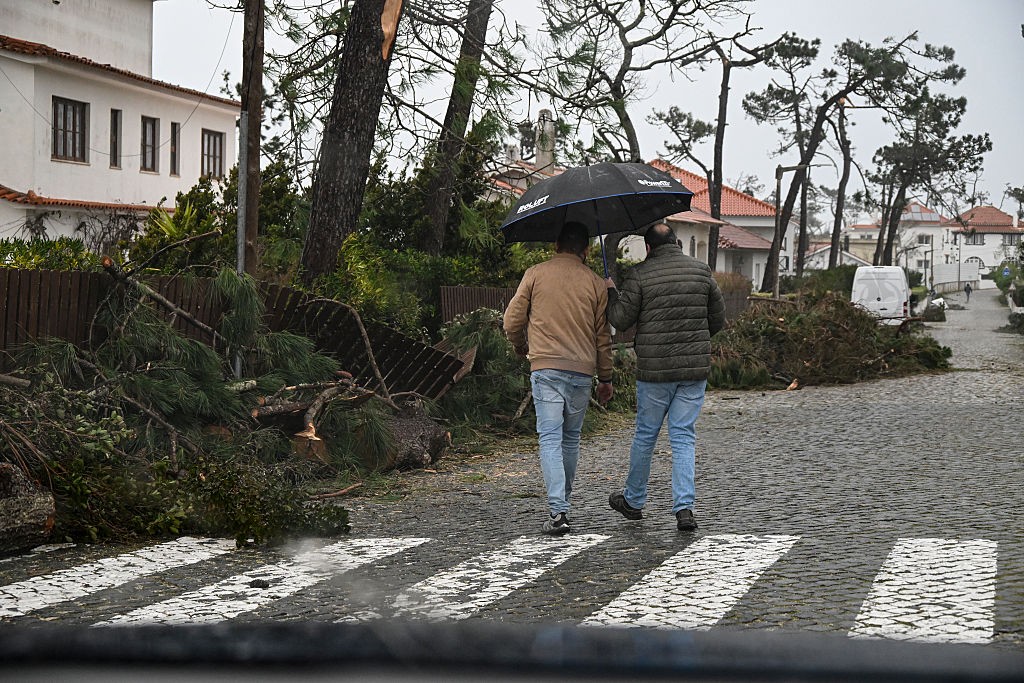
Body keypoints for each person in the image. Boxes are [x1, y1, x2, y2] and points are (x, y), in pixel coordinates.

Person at [605, 222, 726, 531]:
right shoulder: (702, 271)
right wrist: (696, 340)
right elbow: (718, 320)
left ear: (648, 248)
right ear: (677, 243)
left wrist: (611, 294)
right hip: (693, 371)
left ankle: (633, 501)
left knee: (646, 435)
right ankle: (684, 508)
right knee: (683, 436)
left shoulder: (640, 275)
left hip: (654, 372)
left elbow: (620, 320)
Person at [503, 221, 615, 535]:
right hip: (582, 371)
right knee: (570, 440)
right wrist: (605, 378)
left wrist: (520, 345)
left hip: (546, 369)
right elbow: (602, 336)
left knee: (550, 438)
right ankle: (562, 504)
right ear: (586, 249)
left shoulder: (535, 274)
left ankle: (558, 512)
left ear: (556, 245)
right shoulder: (595, 283)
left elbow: (512, 321)